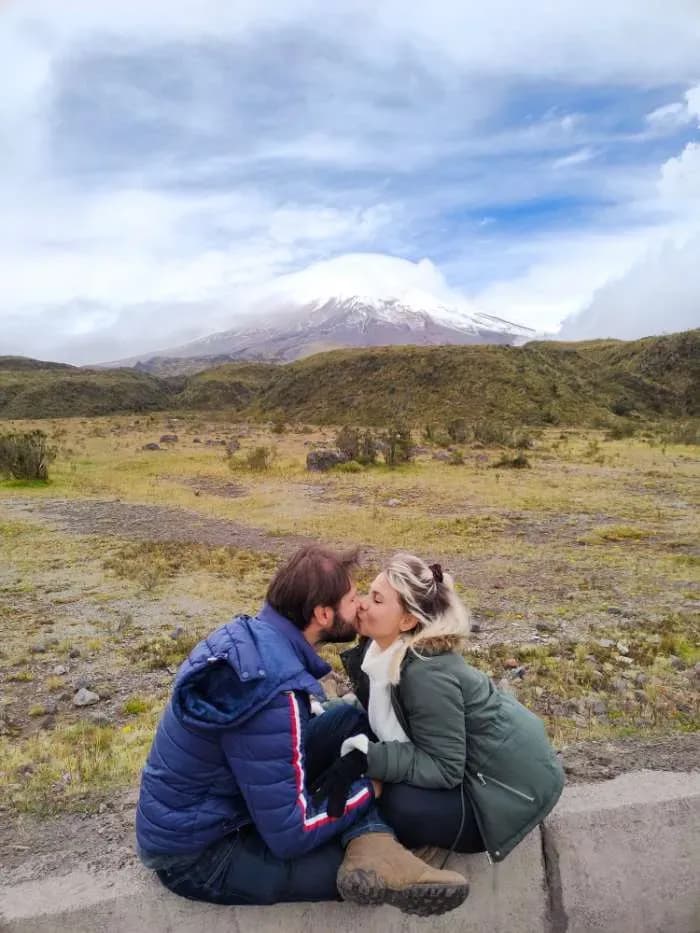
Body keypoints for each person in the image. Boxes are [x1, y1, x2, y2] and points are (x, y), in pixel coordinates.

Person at [135, 544, 469, 915]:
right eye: (351, 598)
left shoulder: (254, 634)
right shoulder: (275, 696)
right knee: (355, 877)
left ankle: (374, 843)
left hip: (223, 801)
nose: (359, 605)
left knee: (352, 721)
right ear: (323, 614)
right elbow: (292, 836)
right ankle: (380, 851)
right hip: (200, 854)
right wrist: (369, 790)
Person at [325, 552, 565, 862]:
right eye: (366, 594)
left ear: (408, 620)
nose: (362, 604)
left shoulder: (425, 675)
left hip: (502, 794)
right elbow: (385, 713)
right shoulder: (379, 654)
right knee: (352, 735)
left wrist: (370, 760)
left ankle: (415, 857)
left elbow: (445, 768)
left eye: (377, 599)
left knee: (399, 805)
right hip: (469, 770)